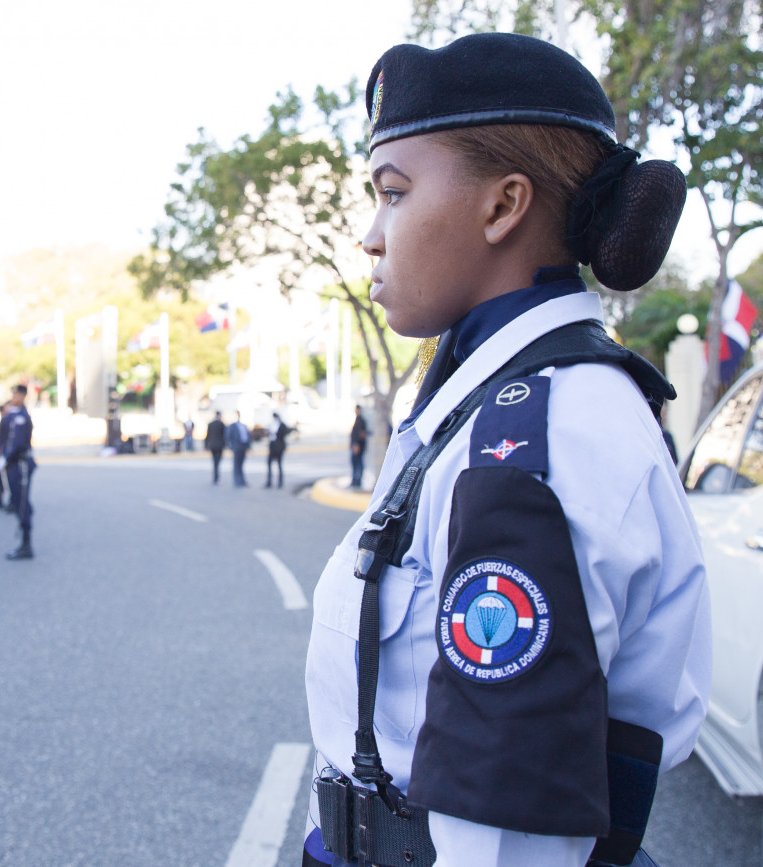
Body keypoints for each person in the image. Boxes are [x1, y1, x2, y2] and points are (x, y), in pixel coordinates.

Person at [302, 34, 709, 867]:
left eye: (394, 193)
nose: (372, 236)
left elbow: (505, 840)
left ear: (502, 207)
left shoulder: (534, 442)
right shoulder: (494, 402)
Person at [1, 384, 35, 560]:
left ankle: (26, 542)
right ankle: (24, 540)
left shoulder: (22, 416)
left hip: (21, 463)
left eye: (16, 394)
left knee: (22, 503)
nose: (14, 397)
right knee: (16, 500)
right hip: (13, 463)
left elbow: (19, 443)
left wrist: (6, 458)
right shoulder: (13, 414)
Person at [265, 411, 294, 488]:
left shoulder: (282, 425)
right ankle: (269, 482)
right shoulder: (272, 425)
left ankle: (280, 482)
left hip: (279, 447)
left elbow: (285, 433)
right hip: (272, 446)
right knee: (269, 464)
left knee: (279, 465)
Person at [227, 412, 251, 487]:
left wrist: (248, 446)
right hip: (236, 447)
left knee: (241, 464)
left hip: (243, 446)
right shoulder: (232, 426)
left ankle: (242, 480)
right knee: (236, 464)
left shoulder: (243, 426)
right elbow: (229, 437)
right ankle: (237, 481)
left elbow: (247, 436)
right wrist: (231, 447)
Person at [348, 405, 368, 489]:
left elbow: (361, 434)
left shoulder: (361, 421)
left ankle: (357, 480)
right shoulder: (357, 420)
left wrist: (356, 445)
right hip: (356, 446)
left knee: (358, 464)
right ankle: (355, 480)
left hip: (358, 447)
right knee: (355, 463)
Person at [205, 411, 226, 484]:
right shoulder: (221, 424)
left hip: (212, 445)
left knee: (215, 462)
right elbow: (224, 435)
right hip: (219, 446)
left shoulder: (210, 424)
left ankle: (215, 478)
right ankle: (216, 478)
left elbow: (207, 436)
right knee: (217, 462)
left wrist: (206, 445)